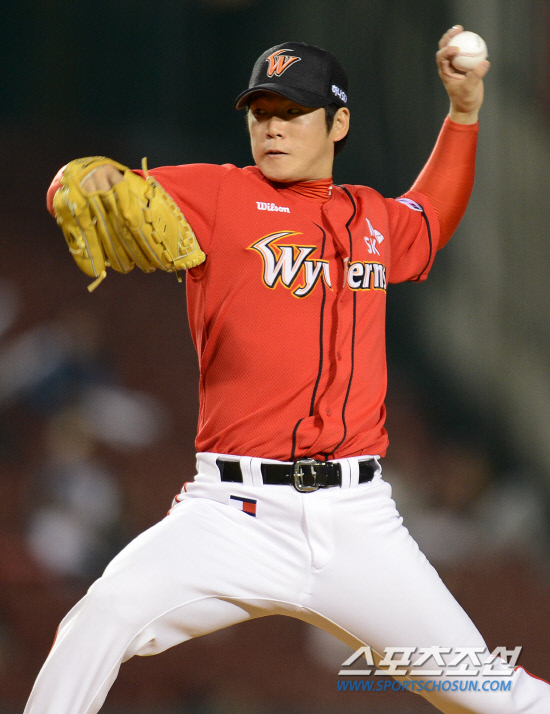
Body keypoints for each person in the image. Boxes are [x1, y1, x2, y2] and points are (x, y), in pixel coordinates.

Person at [27, 27, 550, 714]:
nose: (272, 127)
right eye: (261, 111)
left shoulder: (371, 218)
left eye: (292, 111)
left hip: (357, 521)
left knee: (490, 693)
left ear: (339, 124)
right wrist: (81, 177)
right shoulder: (219, 195)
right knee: (101, 617)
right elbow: (90, 188)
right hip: (231, 515)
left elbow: (429, 220)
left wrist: (463, 113)